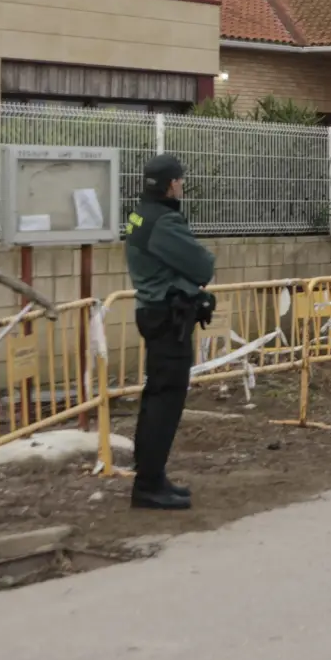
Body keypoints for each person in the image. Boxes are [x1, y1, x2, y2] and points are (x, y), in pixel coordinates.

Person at [124, 153, 217, 511]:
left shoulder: (139, 214)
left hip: (153, 312)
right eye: (178, 180)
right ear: (169, 185)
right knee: (166, 400)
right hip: (167, 318)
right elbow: (202, 265)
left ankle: (152, 476)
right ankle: (148, 484)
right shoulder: (164, 222)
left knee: (156, 397)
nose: (181, 185)